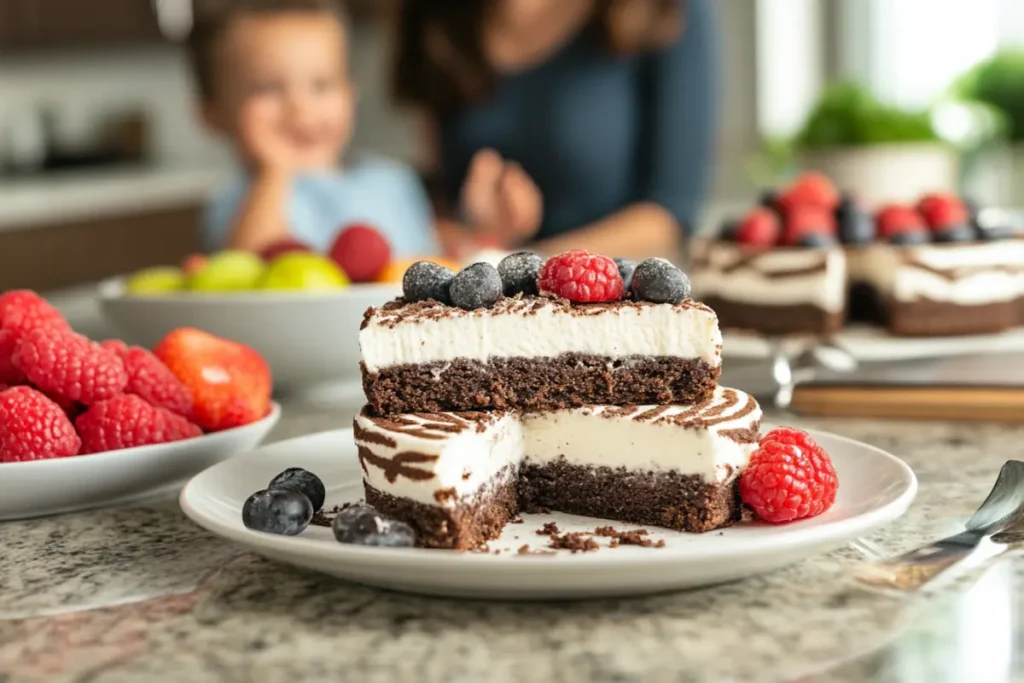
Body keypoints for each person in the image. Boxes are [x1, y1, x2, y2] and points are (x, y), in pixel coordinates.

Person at [394, 0, 719, 259]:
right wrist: (477, 231)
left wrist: (521, 265)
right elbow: (442, 201)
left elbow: (668, 218)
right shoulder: (435, 14)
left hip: (610, 315)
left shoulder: (666, 8)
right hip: (481, 312)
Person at [188, 0, 438, 256]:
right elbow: (249, 277)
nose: (300, 106)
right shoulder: (237, 202)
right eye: (268, 89)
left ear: (350, 96)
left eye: (321, 85)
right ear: (212, 113)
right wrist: (273, 173)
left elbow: (432, 261)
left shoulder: (394, 181)